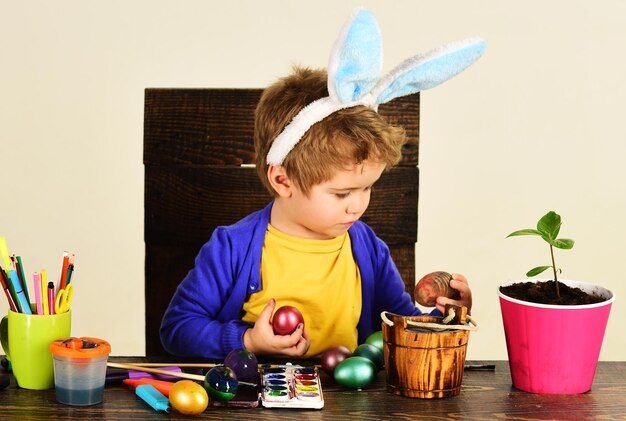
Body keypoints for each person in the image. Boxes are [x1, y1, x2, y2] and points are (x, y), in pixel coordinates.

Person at [160, 8, 483, 360]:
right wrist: (249, 341)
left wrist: (446, 314)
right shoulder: (233, 249)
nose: (357, 205)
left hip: (350, 406)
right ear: (283, 179)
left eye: (367, 188)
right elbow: (177, 328)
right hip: (261, 405)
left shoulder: (368, 249)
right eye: (341, 193)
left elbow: (398, 326)